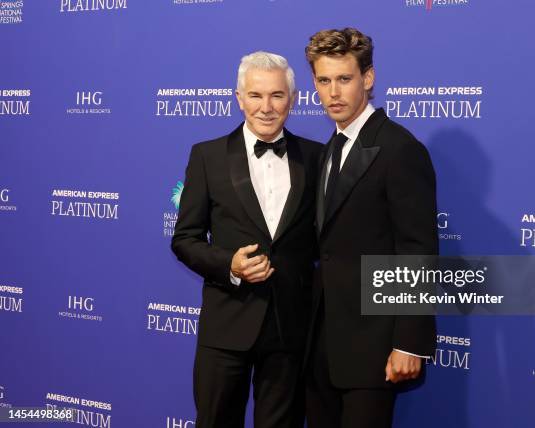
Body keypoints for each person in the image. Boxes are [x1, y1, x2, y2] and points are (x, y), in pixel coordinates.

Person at [171, 51, 321, 428]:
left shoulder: (318, 157)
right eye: (255, 96)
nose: (266, 107)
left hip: (290, 329)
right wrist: (229, 265)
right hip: (226, 326)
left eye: (277, 96)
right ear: (239, 98)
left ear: (294, 99)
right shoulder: (207, 156)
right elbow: (185, 239)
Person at [303, 28, 439, 428]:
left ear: (368, 78)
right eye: (324, 81)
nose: (333, 93)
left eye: (344, 79)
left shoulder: (400, 149)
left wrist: (408, 342)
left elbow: (418, 249)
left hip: (374, 347)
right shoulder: (330, 148)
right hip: (323, 345)